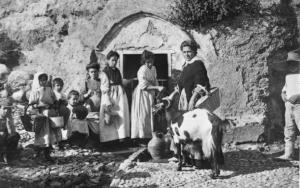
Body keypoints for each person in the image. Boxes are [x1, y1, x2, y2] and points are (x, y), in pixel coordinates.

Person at [131, 50, 164, 145]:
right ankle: (140, 138)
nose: (149, 64)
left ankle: (149, 137)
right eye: (147, 62)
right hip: (142, 94)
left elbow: (155, 80)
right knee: (143, 115)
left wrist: (158, 91)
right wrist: (157, 87)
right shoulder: (142, 70)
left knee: (151, 114)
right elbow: (143, 86)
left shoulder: (153, 68)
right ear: (144, 62)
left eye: (151, 61)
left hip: (150, 93)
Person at [28, 72, 61, 162]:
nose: (43, 81)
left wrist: (54, 105)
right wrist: (40, 106)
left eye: (45, 80)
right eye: (41, 80)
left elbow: (54, 100)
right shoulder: (36, 91)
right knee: (41, 134)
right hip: (40, 114)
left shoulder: (49, 90)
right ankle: (38, 152)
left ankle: (47, 154)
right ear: (38, 81)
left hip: (49, 113)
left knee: (49, 134)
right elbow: (31, 104)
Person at [100, 50, 130, 144]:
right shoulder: (105, 72)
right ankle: (109, 140)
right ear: (108, 60)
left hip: (120, 95)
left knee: (121, 115)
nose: (114, 62)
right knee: (110, 115)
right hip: (110, 95)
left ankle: (121, 137)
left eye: (116, 60)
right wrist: (107, 99)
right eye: (112, 60)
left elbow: (120, 82)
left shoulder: (117, 71)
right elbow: (104, 87)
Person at [275, 49, 300, 161]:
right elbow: (284, 89)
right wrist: (283, 94)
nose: (292, 66)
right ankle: (288, 153)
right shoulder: (288, 76)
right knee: (289, 129)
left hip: (299, 106)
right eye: (290, 64)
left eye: (294, 63)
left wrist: (298, 96)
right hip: (289, 106)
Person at [177, 40, 210, 111]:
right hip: (186, 99)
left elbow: (200, 84)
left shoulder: (197, 64)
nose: (186, 54)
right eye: (184, 52)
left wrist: (192, 100)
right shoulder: (186, 65)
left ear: (194, 51)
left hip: (195, 100)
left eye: (189, 51)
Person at [0, 97, 20, 163]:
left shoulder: (8, 117)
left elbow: (12, 131)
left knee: (16, 136)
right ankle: (3, 155)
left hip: (5, 136)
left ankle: (10, 154)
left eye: (8, 109)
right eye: (4, 108)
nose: (6, 111)